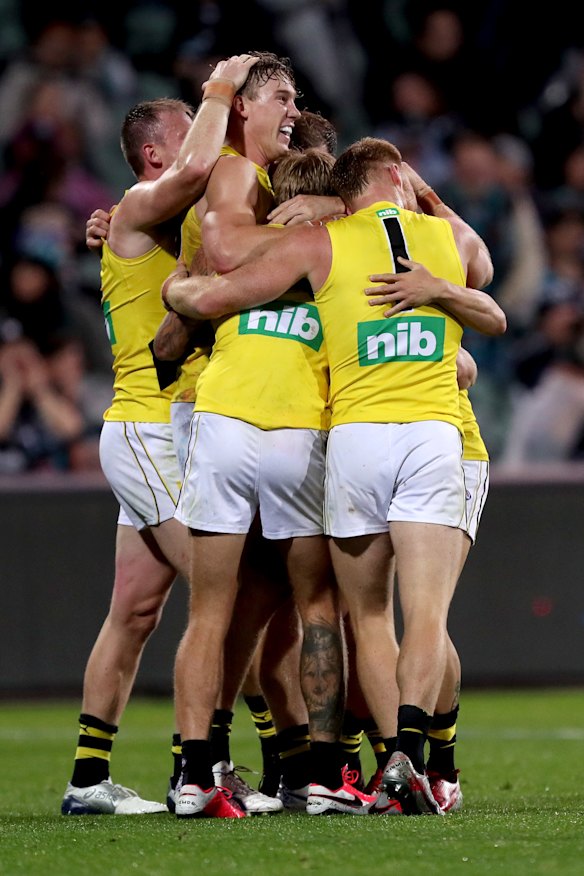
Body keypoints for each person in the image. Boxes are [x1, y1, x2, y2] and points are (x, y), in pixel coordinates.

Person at [164, 137, 506, 815]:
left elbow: (210, 299)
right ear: (393, 177)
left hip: (313, 433)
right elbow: (485, 286)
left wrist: (177, 281)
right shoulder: (441, 241)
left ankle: (203, 769)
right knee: (391, 613)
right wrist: (430, 223)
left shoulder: (313, 248)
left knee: (270, 612)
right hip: (395, 433)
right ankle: (382, 762)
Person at [61, 54, 259, 818]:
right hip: (148, 428)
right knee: (224, 592)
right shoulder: (148, 200)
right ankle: (204, 767)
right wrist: (219, 92)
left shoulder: (154, 218)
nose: (205, 143)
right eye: (190, 133)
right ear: (154, 154)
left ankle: (88, 780)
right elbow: (205, 166)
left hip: (160, 429)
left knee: (136, 612)